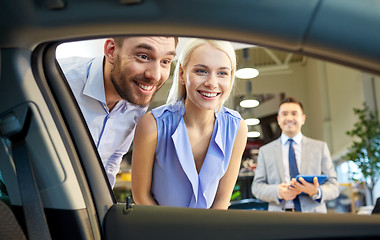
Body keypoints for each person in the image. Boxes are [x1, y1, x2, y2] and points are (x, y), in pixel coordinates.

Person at [131, 38, 247, 209]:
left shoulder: (237, 128)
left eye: (222, 73)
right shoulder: (152, 125)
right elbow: (141, 197)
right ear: (181, 74)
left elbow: (222, 200)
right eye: (201, 71)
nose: (212, 83)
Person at [58, 36, 177, 188]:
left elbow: (112, 159)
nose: (155, 75)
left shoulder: (136, 97)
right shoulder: (59, 82)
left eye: (165, 61)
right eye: (143, 56)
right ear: (111, 51)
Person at [251, 97, 339, 213]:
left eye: (294, 113)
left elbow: (334, 186)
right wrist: (278, 191)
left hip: (314, 216)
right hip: (279, 217)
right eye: (284, 114)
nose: (289, 118)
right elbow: (257, 187)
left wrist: (315, 191)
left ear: (303, 119)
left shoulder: (320, 148)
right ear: (278, 119)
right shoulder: (265, 151)